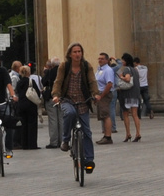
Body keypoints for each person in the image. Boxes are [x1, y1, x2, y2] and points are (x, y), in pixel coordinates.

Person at [52, 42, 100, 174]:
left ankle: (89, 160)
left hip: (83, 101)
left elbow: (92, 81)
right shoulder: (64, 66)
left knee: (87, 132)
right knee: (70, 114)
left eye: (79, 51)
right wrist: (56, 95)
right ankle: (66, 140)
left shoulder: (86, 66)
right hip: (67, 100)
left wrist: (95, 94)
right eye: (75, 52)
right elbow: (58, 82)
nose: (78, 54)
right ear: (69, 54)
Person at [16, 62, 42, 149]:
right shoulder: (31, 81)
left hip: (21, 105)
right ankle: (32, 144)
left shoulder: (19, 82)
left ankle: (24, 144)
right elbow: (37, 92)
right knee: (32, 124)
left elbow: (17, 92)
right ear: (28, 72)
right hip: (31, 105)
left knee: (24, 125)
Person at [115, 55, 141, 141]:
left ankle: (128, 134)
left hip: (127, 94)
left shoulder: (126, 69)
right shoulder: (135, 69)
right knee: (135, 114)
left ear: (126, 60)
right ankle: (138, 133)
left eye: (123, 60)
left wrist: (120, 77)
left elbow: (127, 79)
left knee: (125, 114)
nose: (122, 61)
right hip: (135, 94)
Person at [95, 52, 116, 143]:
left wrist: (102, 95)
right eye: (99, 58)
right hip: (99, 93)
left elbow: (109, 84)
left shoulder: (108, 70)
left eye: (102, 58)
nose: (100, 60)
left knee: (106, 115)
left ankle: (108, 136)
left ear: (107, 60)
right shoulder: (100, 69)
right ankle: (105, 135)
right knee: (103, 115)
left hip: (105, 94)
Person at [42, 57, 62, 148]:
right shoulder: (63, 72)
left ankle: (54, 142)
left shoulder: (49, 72)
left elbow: (43, 82)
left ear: (52, 65)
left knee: (53, 120)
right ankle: (63, 141)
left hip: (51, 97)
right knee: (62, 119)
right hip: (62, 98)